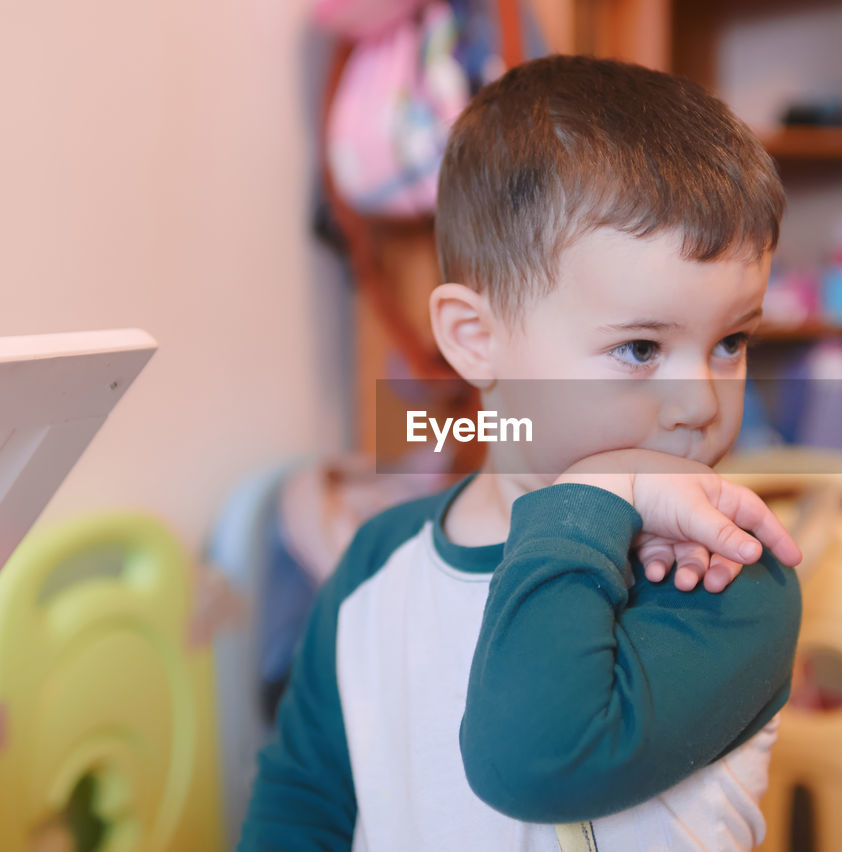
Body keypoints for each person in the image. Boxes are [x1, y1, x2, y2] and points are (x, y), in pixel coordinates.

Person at [240, 54, 803, 851]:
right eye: (641, 348)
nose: (701, 403)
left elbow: (537, 762)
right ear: (477, 339)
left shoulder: (724, 576)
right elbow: (304, 803)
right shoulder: (375, 568)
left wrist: (593, 499)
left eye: (731, 341)